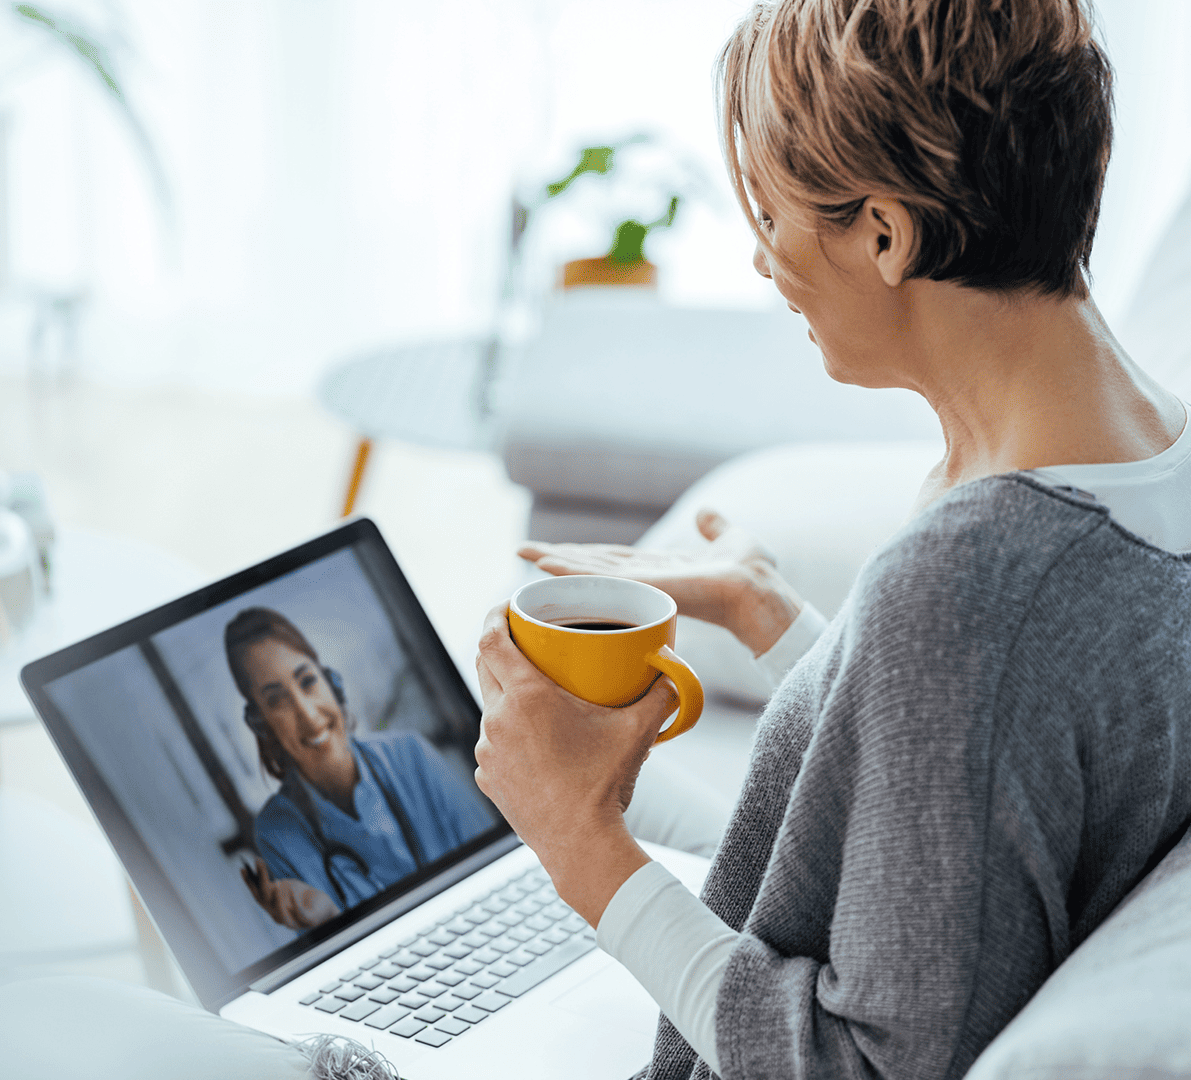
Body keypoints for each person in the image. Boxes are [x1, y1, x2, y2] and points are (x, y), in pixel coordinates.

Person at [472, 2, 1191, 1079]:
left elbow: (864, 1066)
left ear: (886, 235)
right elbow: (977, 778)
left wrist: (581, 844)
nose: (763, 262)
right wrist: (774, 616)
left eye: (771, 214)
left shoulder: (975, 584)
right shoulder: (1139, 455)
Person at [225, 606, 495, 929]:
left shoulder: (410, 755)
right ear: (261, 724)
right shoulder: (277, 833)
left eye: (307, 681)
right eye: (276, 700)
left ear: (331, 682)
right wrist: (325, 920)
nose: (308, 715)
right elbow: (334, 947)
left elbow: (494, 865)